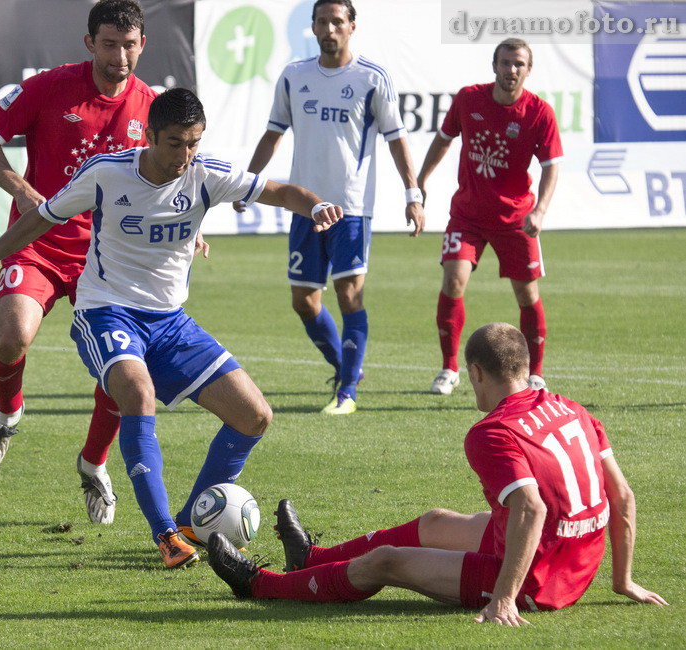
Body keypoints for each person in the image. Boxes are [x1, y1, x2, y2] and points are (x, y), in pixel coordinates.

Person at [0, 88, 343, 568]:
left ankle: (192, 523)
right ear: (148, 135)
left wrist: (315, 206)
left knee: (254, 416)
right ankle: (166, 534)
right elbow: (44, 217)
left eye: (193, 143)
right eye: (174, 143)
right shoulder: (108, 173)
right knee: (137, 391)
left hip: (171, 322)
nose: (184, 156)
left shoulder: (205, 173)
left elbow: (280, 190)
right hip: (106, 310)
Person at [206, 322, 667, 623]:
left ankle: (258, 584)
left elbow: (531, 507)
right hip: (575, 563)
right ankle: (310, 558)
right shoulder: (572, 409)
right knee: (435, 522)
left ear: (476, 373)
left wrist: (504, 596)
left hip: (538, 580)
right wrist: (622, 580)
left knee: (387, 561)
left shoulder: (493, 430)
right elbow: (622, 496)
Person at [0, 0, 166, 525]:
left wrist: (191, 229)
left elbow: (174, 174)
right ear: (89, 43)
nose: (119, 56)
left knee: (122, 371)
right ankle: (9, 411)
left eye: (129, 45)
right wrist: (25, 191)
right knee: (10, 337)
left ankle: (93, 463)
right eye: (109, 44)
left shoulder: (154, 106)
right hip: (38, 241)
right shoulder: (49, 87)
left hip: (110, 257)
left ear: (142, 44)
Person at [236, 0, 424, 415]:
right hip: (305, 206)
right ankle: (346, 368)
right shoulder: (294, 76)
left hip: (351, 207)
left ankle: (347, 394)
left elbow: (396, 139)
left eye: (336, 21)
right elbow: (273, 134)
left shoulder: (371, 78)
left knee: (348, 293)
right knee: (303, 301)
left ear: (351, 26)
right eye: (322, 21)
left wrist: (413, 193)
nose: (329, 29)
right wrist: (247, 183)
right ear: (313, 26)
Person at [418, 38, 562, 396]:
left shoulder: (539, 112)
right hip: (467, 214)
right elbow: (443, 139)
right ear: (493, 65)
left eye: (519, 64)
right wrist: (421, 179)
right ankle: (449, 368)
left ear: (529, 70)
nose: (511, 70)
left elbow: (551, 167)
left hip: (516, 218)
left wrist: (540, 210)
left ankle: (536, 374)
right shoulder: (468, 99)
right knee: (453, 280)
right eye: (505, 62)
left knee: (526, 295)